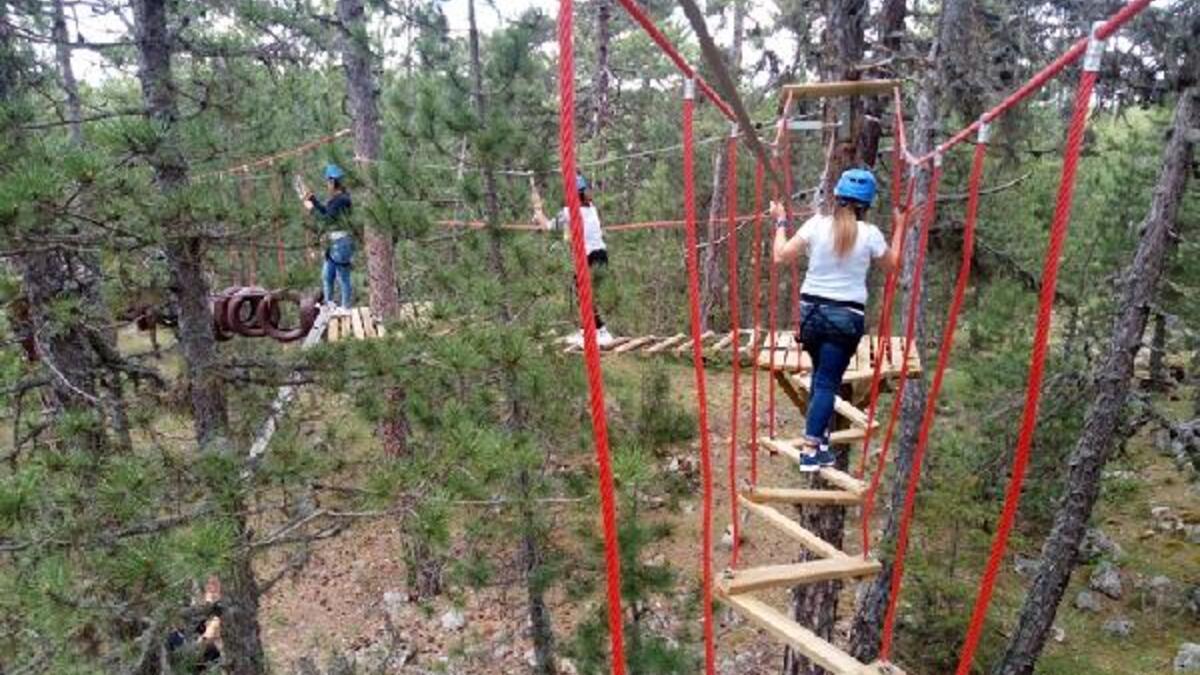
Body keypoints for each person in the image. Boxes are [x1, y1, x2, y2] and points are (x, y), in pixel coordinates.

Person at [772, 167, 903, 472]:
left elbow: (780, 255)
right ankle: (810, 449)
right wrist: (901, 226)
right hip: (844, 319)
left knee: (821, 379)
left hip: (811, 316)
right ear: (867, 205)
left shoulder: (816, 225)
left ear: (837, 198)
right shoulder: (870, 234)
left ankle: (819, 444)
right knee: (828, 383)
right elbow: (893, 265)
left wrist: (780, 220)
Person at [535, 172, 615, 348]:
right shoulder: (591, 207)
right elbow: (573, 231)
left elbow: (547, 226)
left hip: (588, 256)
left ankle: (598, 331)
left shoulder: (569, 211)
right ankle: (589, 330)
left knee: (584, 295)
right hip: (601, 254)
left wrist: (538, 210)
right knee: (589, 295)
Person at [302, 163, 355, 309]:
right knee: (327, 276)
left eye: (328, 181)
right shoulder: (337, 198)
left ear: (332, 181)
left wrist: (312, 210)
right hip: (334, 243)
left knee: (343, 277)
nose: (327, 184)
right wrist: (314, 201)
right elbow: (327, 211)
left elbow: (327, 220)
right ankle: (329, 305)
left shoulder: (342, 199)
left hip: (341, 242)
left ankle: (345, 308)